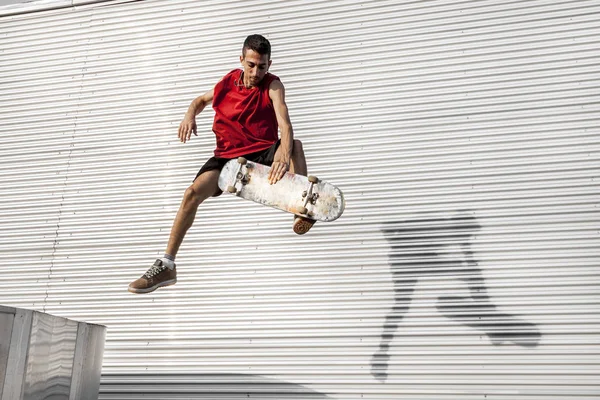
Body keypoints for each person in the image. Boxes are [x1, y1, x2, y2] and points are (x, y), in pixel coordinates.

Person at [128, 34, 314, 294]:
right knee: (191, 193)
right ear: (241, 60)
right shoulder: (227, 83)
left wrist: (282, 153)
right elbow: (199, 101)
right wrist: (189, 115)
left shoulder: (273, 86)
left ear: (269, 65)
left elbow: (284, 120)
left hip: (262, 152)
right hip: (227, 158)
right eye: (251, 65)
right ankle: (167, 265)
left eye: (262, 66)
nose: (256, 72)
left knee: (294, 146)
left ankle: (302, 206)